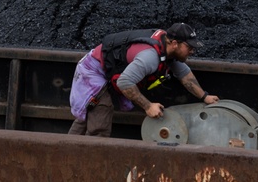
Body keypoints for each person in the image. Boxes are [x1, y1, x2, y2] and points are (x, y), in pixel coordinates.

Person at [68, 23, 219, 137]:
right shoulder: (150, 57)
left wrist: (205, 96)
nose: (192, 51)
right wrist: (148, 106)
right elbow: (124, 83)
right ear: (174, 44)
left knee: (88, 112)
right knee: (100, 115)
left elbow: (186, 76)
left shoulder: (169, 52)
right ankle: (89, 162)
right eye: (189, 47)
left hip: (108, 69)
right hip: (93, 71)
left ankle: (64, 151)